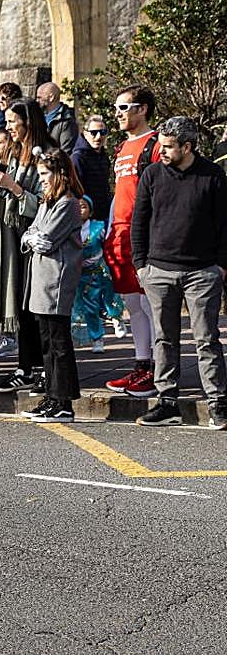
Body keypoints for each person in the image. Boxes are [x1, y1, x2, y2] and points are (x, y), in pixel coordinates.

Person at [132, 117, 227, 430]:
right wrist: (141, 265)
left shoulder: (213, 175)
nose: (161, 150)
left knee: (207, 340)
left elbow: (225, 225)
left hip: (202, 272)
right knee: (164, 339)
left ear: (187, 147)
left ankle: (217, 403)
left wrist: (220, 266)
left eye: (169, 146)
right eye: (161, 143)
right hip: (158, 271)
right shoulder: (152, 174)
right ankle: (167, 402)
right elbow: (139, 222)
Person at [0, 99, 57, 395]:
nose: (9, 127)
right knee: (21, 304)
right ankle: (25, 367)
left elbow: (48, 200)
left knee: (37, 307)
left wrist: (12, 187)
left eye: (14, 121)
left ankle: (42, 370)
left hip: (37, 239)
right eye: (8, 121)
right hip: (13, 236)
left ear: (30, 122)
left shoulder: (48, 153)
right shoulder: (14, 151)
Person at [104, 85, 162, 399]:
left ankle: (158, 371)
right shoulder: (121, 147)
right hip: (120, 233)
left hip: (145, 234)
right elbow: (119, 194)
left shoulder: (153, 145)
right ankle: (142, 364)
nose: (118, 114)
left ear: (142, 109)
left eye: (124, 107)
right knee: (131, 305)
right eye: (117, 108)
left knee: (149, 303)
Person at [18, 148, 85, 423]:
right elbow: (29, 235)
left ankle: (64, 402)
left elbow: (44, 240)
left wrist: (32, 236)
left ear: (59, 173)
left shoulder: (68, 204)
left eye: (45, 173)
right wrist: (32, 236)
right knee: (47, 343)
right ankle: (52, 396)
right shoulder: (48, 202)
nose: (41, 179)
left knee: (59, 343)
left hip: (56, 282)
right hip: (42, 281)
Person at [70, 196, 123, 353]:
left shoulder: (99, 227)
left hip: (101, 270)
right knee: (88, 307)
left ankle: (116, 318)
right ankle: (96, 338)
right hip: (82, 275)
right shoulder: (69, 229)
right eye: (77, 207)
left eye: (84, 207)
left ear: (91, 210)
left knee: (109, 297)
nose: (80, 210)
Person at [70, 115, 111, 224]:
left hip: (103, 216)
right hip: (86, 220)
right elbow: (74, 190)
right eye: (94, 132)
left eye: (102, 132)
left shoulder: (103, 156)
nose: (98, 137)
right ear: (85, 133)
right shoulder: (77, 158)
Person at [35, 82, 79, 152]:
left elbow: (66, 151)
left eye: (39, 97)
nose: (37, 101)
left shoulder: (66, 121)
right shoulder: (37, 117)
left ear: (51, 97)